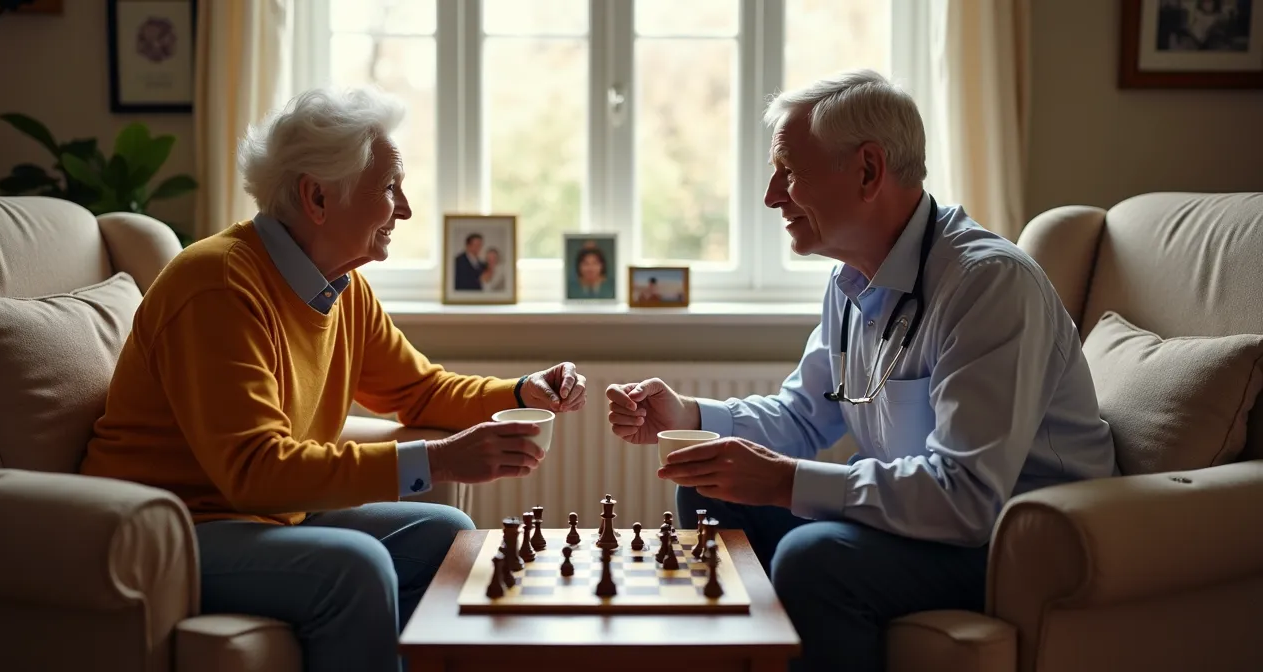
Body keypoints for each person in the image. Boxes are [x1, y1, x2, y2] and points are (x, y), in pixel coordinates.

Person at [606, 69, 1117, 672]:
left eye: (789, 172)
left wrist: (784, 481)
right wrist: (690, 416)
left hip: (1012, 541)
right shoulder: (849, 280)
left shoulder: (987, 284)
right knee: (708, 479)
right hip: (926, 517)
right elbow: (803, 416)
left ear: (869, 171)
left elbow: (967, 499)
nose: (772, 195)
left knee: (813, 559)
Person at [80, 86, 588, 672]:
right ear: (317, 197)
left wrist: (523, 393)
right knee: (357, 565)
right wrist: (441, 461)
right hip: (170, 528)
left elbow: (420, 390)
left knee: (447, 533)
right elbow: (254, 471)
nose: (405, 209)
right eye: (390, 188)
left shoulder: (342, 289)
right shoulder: (218, 285)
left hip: (263, 516)